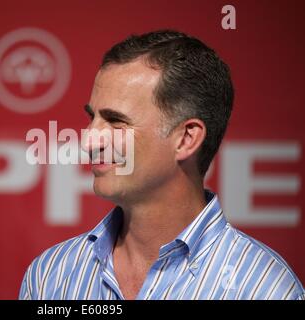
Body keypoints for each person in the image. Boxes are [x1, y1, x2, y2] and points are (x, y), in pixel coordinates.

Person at [19, 30, 305, 300]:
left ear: (186, 139)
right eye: (92, 118)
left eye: (116, 122)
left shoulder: (263, 289)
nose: (89, 141)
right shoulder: (49, 276)